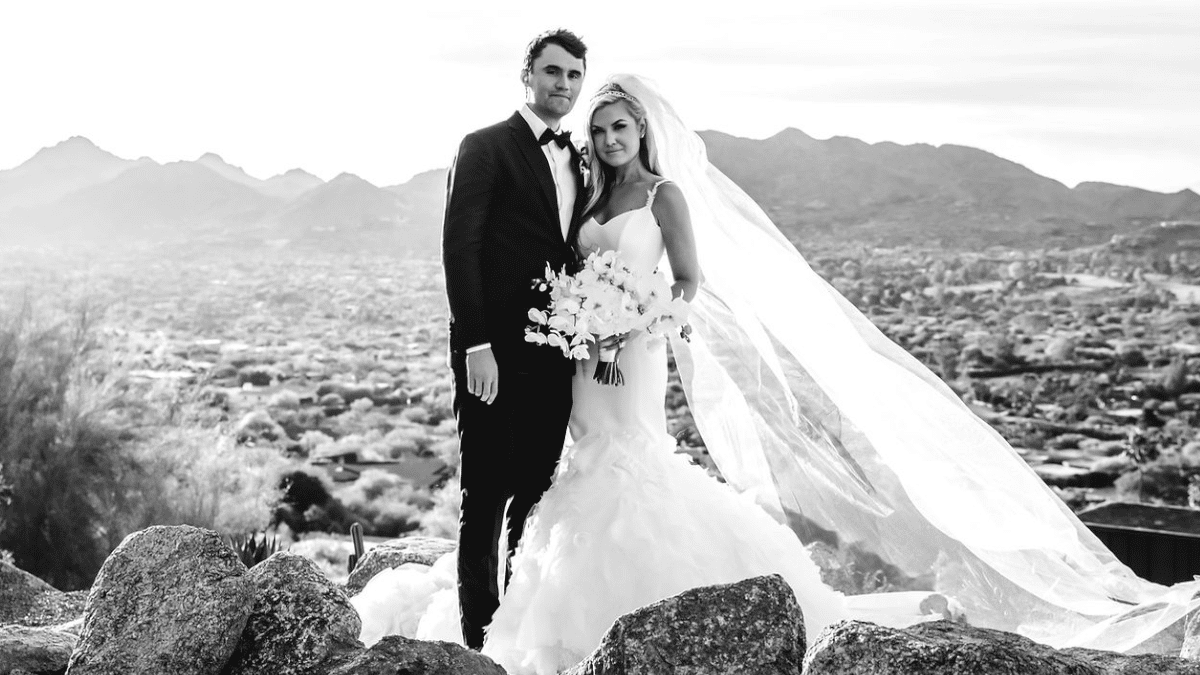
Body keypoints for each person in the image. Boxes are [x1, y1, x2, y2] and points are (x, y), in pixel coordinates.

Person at [354, 73, 1200, 671]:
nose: (611, 139)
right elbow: (546, 264)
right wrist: (586, 317)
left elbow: (687, 279)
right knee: (575, 479)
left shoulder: (662, 198)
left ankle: (660, 617)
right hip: (582, 364)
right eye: (602, 128)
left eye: (623, 127)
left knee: (635, 472)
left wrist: (640, 317)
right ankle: (534, 618)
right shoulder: (587, 196)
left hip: (635, 358)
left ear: (644, 131)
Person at [439, 28, 588, 650]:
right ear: (527, 76)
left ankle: (515, 627)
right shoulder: (485, 147)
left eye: (575, 75)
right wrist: (476, 346)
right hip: (493, 356)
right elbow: (460, 247)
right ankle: (478, 643)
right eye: (553, 72)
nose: (564, 85)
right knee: (485, 497)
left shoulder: (581, 158)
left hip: (555, 357)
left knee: (535, 494)